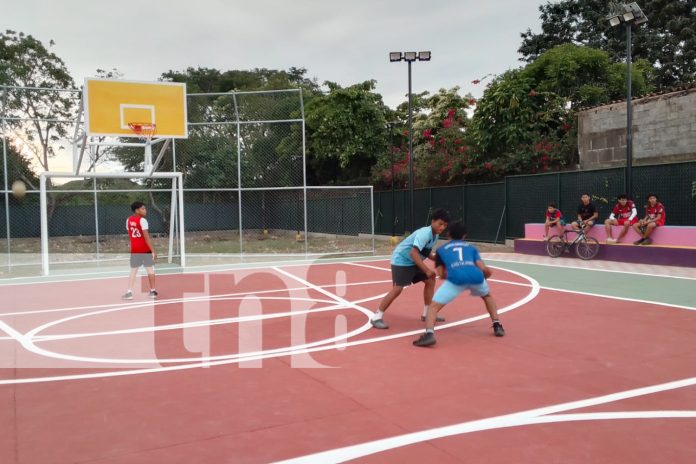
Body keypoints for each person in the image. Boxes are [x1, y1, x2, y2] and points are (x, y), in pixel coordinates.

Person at [413, 221, 504, 347]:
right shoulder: (471, 248)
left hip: (456, 278)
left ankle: (429, 334)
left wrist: (454, 274)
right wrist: (485, 276)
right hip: (475, 276)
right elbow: (483, 268)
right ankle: (497, 324)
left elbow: (441, 274)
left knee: (433, 307)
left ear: (448, 234)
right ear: (464, 235)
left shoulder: (441, 250)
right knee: (487, 296)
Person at [371, 208, 451, 329]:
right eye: (440, 224)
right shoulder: (425, 233)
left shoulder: (435, 236)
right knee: (398, 289)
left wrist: (442, 259)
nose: (442, 227)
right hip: (401, 260)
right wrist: (427, 270)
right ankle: (376, 316)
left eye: (445, 225)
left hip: (412, 261)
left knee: (430, 279)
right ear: (433, 221)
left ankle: (427, 313)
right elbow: (413, 253)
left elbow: (426, 252)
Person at [122, 201, 158, 300]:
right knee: (150, 270)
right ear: (137, 210)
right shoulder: (142, 221)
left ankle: (129, 292)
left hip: (135, 249)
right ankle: (153, 291)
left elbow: (130, 234)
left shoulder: (128, 220)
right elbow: (146, 237)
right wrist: (153, 250)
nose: (145, 210)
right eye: (143, 208)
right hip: (144, 249)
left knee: (133, 271)